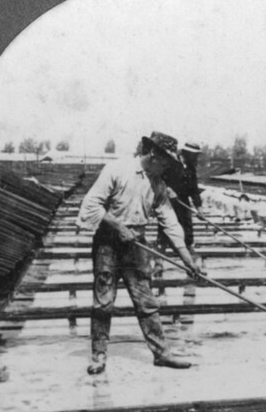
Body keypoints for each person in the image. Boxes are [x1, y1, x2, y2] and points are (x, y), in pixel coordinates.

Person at [76, 131, 198, 374]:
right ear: (154, 154)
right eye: (166, 162)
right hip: (108, 243)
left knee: (146, 301)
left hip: (137, 244)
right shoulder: (117, 170)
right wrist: (119, 226)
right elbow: (90, 206)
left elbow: (170, 223)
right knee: (103, 302)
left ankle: (161, 353)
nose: (167, 168)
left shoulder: (158, 184)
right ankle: (98, 355)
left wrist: (187, 260)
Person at [158, 140, 205, 273]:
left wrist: (199, 208)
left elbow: (194, 190)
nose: (196, 157)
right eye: (195, 154)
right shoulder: (171, 163)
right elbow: (158, 180)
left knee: (188, 234)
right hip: (167, 204)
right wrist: (167, 189)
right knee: (164, 234)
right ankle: (158, 265)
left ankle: (192, 267)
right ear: (187, 153)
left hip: (183, 204)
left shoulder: (190, 168)